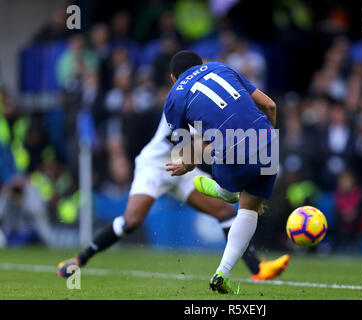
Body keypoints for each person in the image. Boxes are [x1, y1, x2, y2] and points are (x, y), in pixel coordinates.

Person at [56, 112, 290, 281]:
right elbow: (191, 143)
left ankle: (258, 269)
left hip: (183, 165)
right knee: (131, 221)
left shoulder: (208, 105)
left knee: (225, 212)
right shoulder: (182, 102)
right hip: (157, 165)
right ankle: (80, 259)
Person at [163, 50, 279, 294]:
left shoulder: (174, 98)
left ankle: (223, 190)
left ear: (173, 78)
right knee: (250, 209)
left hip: (230, 148)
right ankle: (221, 273)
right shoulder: (221, 67)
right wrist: (268, 136)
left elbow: (188, 153)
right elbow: (269, 104)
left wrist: (187, 165)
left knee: (230, 193)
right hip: (267, 141)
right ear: (201, 64)